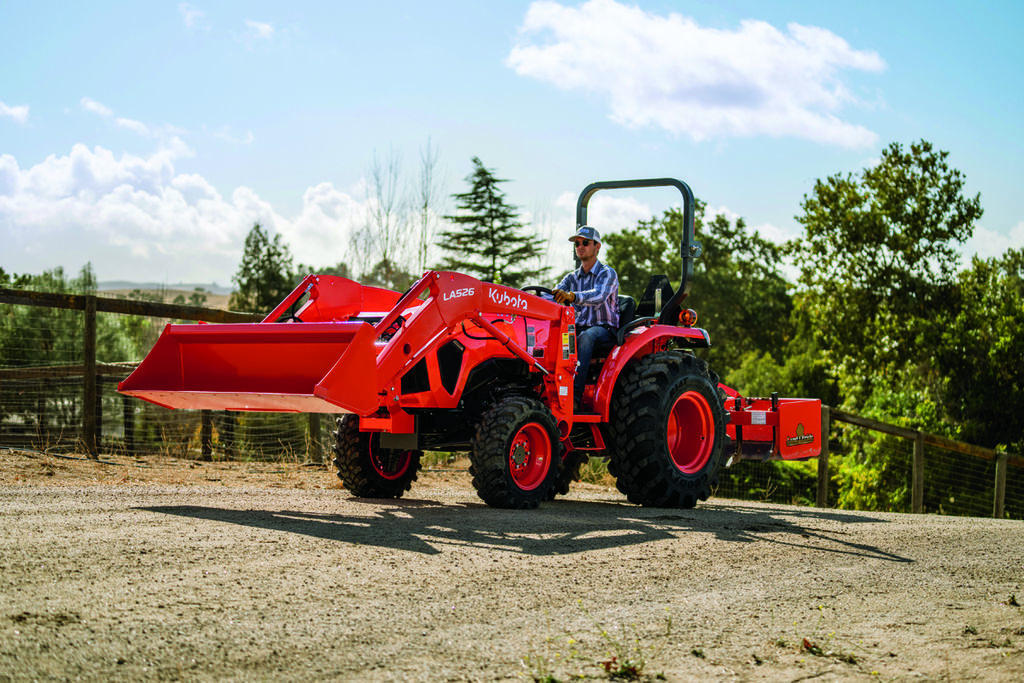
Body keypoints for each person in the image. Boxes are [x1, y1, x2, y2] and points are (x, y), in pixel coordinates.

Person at [552, 225, 619, 410]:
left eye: (585, 243)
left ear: (597, 246)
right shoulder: (572, 278)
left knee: (585, 337)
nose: (580, 246)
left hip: (604, 330)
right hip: (579, 328)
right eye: (577, 244)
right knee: (554, 336)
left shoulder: (607, 273)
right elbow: (554, 295)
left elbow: (598, 296)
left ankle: (574, 397)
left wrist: (573, 296)